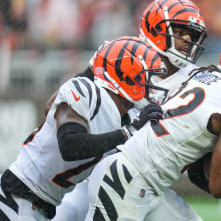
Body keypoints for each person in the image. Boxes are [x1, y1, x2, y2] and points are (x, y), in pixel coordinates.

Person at [84, 32, 221, 221]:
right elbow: (219, 186)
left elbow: (196, 170)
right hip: (129, 179)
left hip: (139, 179)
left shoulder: (205, 77)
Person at [53, 0, 209, 220]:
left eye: (192, 34)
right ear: (155, 29)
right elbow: (69, 96)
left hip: (147, 180)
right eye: (179, 31)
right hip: (93, 173)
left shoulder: (194, 81)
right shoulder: (121, 55)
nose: (187, 39)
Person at [0, 37, 167, 220]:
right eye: (145, 77)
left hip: (41, 206)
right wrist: (127, 133)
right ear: (127, 76)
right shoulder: (86, 90)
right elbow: (70, 145)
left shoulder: (127, 118)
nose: (150, 85)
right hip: (15, 196)